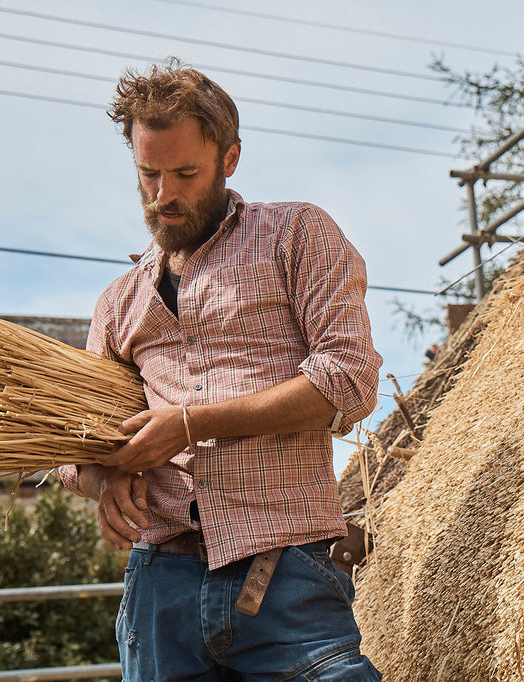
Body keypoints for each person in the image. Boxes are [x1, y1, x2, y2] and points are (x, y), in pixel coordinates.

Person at [58, 59, 383, 681]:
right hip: (158, 588)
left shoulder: (296, 235)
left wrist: (187, 424)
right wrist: (102, 481)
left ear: (229, 159)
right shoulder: (118, 301)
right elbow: (73, 445)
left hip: (283, 571)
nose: (163, 195)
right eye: (148, 174)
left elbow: (348, 380)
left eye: (185, 172)